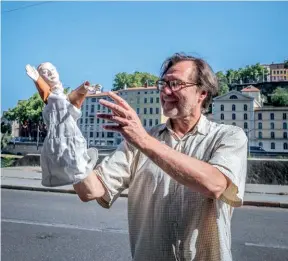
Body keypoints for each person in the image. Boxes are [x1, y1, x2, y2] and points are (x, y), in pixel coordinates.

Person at [74, 53, 247, 261]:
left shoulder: (229, 136)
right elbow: (90, 190)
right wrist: (66, 133)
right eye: (163, 84)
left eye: (175, 84)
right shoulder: (137, 141)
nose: (165, 91)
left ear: (201, 92)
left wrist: (144, 141)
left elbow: (215, 184)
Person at [25, 62, 99, 187]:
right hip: (59, 137)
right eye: (45, 72)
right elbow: (48, 95)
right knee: (63, 160)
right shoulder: (51, 98)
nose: (51, 73)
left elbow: (73, 101)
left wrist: (85, 89)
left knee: (74, 161)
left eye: (52, 69)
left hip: (71, 135)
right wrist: (37, 80)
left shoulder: (62, 97)